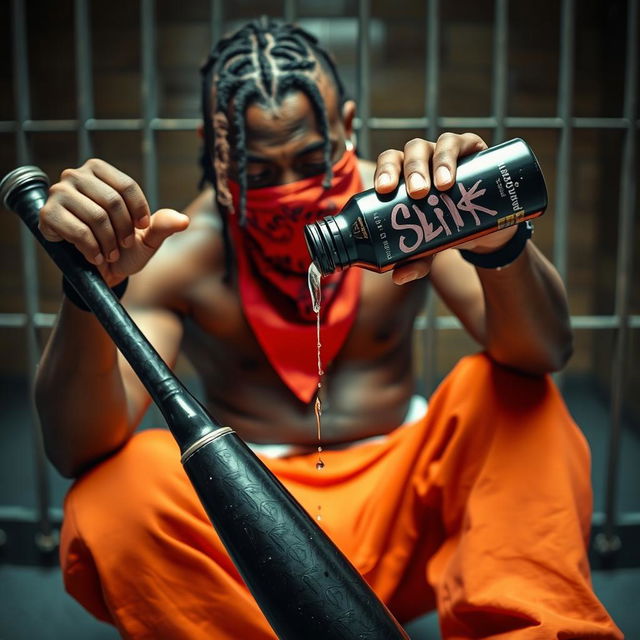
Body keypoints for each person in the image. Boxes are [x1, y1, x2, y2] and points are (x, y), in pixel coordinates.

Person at [35, 17, 621, 640]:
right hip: (252, 538)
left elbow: (544, 350)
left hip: (406, 512)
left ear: (346, 124)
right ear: (220, 148)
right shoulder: (181, 253)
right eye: (261, 172)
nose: (291, 191)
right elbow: (79, 447)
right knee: (115, 489)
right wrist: (88, 290)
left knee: (514, 398)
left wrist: (496, 241)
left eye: (311, 159)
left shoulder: (408, 207)